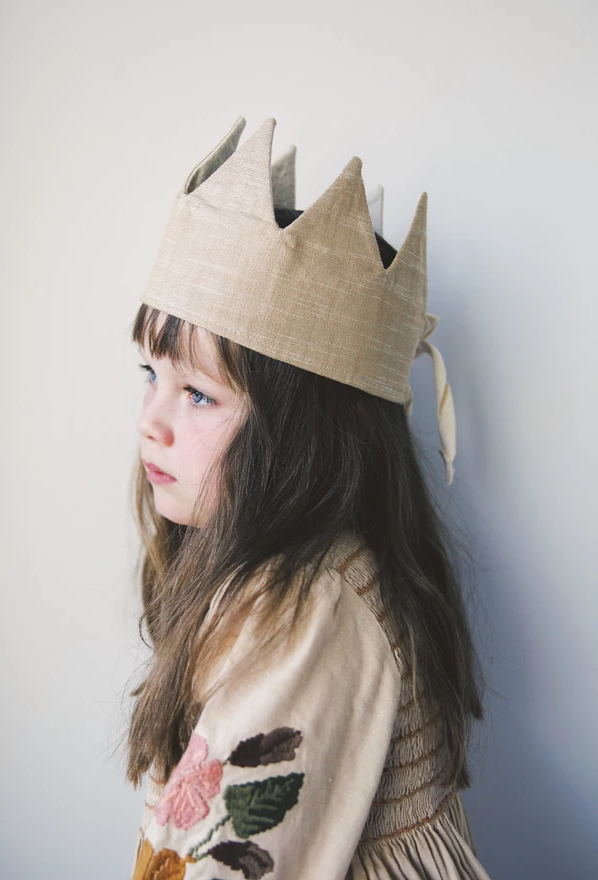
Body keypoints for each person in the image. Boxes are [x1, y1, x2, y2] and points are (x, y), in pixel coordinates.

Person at [123, 116, 492, 879]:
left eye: (197, 395)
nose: (149, 424)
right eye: (151, 376)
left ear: (306, 440)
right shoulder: (295, 575)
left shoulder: (307, 612)